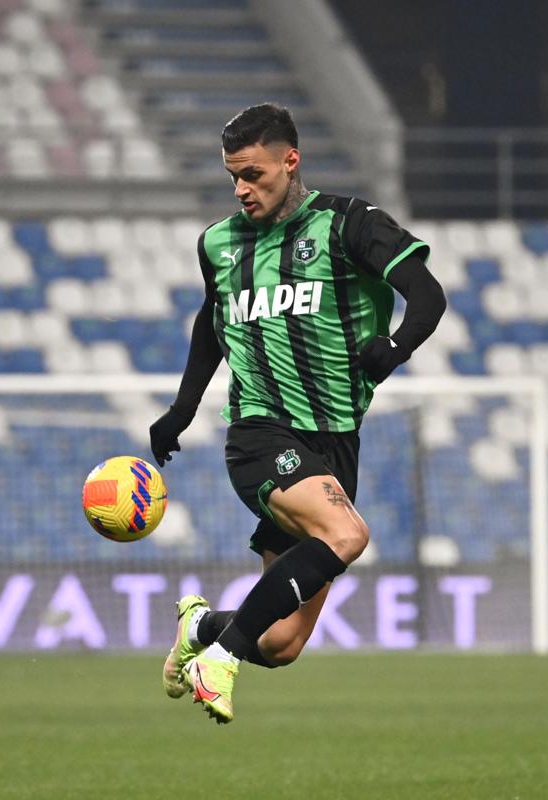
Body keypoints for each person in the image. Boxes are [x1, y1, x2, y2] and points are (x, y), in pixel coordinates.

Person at [149, 103, 446, 724]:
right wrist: (183, 408)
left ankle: (201, 629)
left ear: (290, 161)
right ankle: (219, 660)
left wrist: (395, 347)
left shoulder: (350, 224)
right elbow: (211, 321)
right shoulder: (218, 243)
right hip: (260, 435)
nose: (241, 188)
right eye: (233, 176)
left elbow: (426, 293)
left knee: (280, 643)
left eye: (253, 174)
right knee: (348, 536)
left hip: (335, 444)